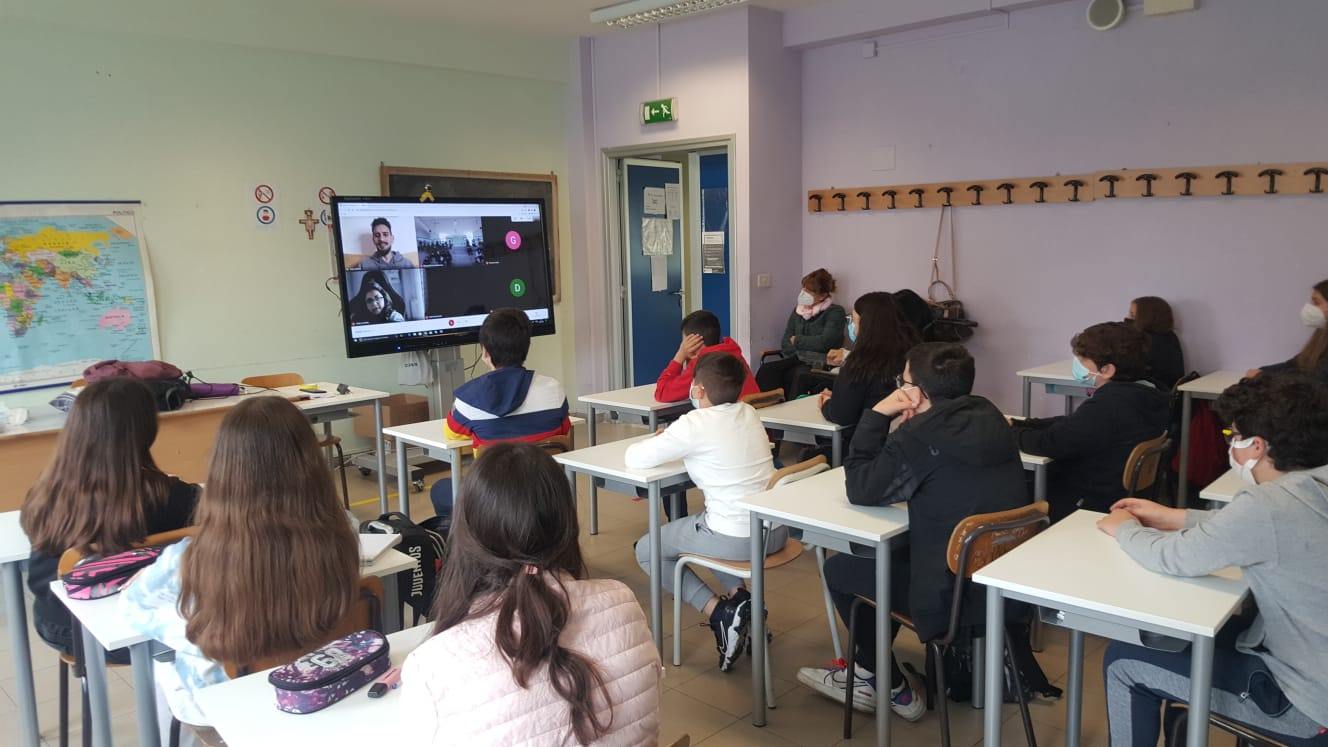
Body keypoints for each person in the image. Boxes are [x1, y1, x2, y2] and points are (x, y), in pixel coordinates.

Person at [797, 343, 1031, 719]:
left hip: (949, 596)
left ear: (916, 393)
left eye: (902, 382)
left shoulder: (920, 436)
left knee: (840, 569)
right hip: (1000, 584)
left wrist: (877, 414)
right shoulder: (989, 414)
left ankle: (885, 682)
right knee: (889, 555)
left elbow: (861, 488)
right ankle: (868, 670)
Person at [1096, 373, 1328, 746]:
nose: (1230, 445)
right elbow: (1256, 530)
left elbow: (1173, 557)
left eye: (1232, 436)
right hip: (1311, 665)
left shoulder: (1267, 505)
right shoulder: (1311, 486)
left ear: (1257, 446)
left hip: (1308, 706)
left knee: (1124, 661)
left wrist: (1124, 528)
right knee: (1181, 640)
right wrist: (1176, 517)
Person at [119, 397, 360, 739]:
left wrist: (199, 628)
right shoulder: (344, 535)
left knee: (162, 665)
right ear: (311, 465)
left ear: (222, 472)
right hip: (320, 692)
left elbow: (133, 608)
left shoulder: (192, 558)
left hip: (228, 712)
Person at [401, 443, 660, 745]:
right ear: (567, 522)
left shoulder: (433, 664)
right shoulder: (623, 602)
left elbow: (455, 428)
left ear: (467, 533)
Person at [21, 378, 199, 660]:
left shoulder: (46, 492)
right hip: (133, 630)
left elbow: (38, 580)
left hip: (57, 623)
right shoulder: (172, 496)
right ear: (146, 429)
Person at [626, 353, 782, 672]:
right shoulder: (749, 413)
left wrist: (665, 439)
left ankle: (718, 613)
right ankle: (743, 605)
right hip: (775, 531)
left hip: (738, 539)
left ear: (698, 390)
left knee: (647, 549)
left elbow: (635, 458)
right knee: (717, 528)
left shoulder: (694, 424)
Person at [1012, 322, 1169, 522]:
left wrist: (1006, 432)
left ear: (1107, 370)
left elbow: (1049, 444)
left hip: (1089, 502)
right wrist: (1025, 424)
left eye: (1082, 360)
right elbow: (1074, 424)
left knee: (1015, 480)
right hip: (1121, 494)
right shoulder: (1146, 393)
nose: (1077, 364)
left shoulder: (1109, 405)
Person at [430, 307, 571, 518]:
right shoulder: (554, 389)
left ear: (485, 352)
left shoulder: (468, 400)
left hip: (493, 501)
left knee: (441, 489)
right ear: (527, 347)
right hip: (544, 495)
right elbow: (564, 430)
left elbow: (452, 435)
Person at [818, 292, 919, 448]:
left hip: (868, 443)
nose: (851, 326)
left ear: (866, 326)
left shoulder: (860, 364)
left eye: (853, 320)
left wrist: (827, 404)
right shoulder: (916, 353)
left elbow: (842, 415)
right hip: (911, 439)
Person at [756, 268, 847, 399]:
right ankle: (763, 407)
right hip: (795, 358)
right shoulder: (798, 311)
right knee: (767, 369)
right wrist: (802, 347)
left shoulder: (835, 312)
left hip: (819, 362)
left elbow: (825, 342)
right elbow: (786, 341)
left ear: (822, 296)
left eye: (809, 292)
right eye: (804, 289)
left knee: (799, 375)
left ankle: (790, 410)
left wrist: (797, 340)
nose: (804, 294)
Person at [654, 309, 758, 403]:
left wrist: (680, 355)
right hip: (751, 414)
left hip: (727, 417)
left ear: (694, 342)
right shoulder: (731, 351)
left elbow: (662, 393)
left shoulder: (704, 363)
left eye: (685, 342)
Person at [1247, 278, 1328, 386]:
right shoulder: (1321, 335)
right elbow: (1294, 364)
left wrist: (1263, 376)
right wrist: (1262, 370)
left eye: (1316, 303)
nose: (1310, 308)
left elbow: (1315, 380)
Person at [1126, 295, 1185, 391]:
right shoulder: (1169, 335)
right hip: (1167, 390)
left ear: (1145, 317)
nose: (1127, 318)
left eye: (1132, 315)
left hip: (1154, 392)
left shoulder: (1146, 340)